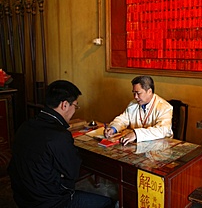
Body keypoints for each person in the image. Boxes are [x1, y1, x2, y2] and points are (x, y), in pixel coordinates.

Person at [7, 80, 117, 208]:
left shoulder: (25, 125)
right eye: (75, 106)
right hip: (50, 203)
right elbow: (73, 173)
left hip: (22, 198)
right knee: (109, 203)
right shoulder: (59, 135)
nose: (74, 110)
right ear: (65, 105)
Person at [104, 75, 173, 146]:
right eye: (134, 93)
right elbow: (123, 119)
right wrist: (113, 128)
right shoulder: (133, 104)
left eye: (138, 93)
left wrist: (136, 134)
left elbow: (161, 130)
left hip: (159, 148)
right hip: (137, 145)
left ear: (149, 91)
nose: (135, 97)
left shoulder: (164, 107)